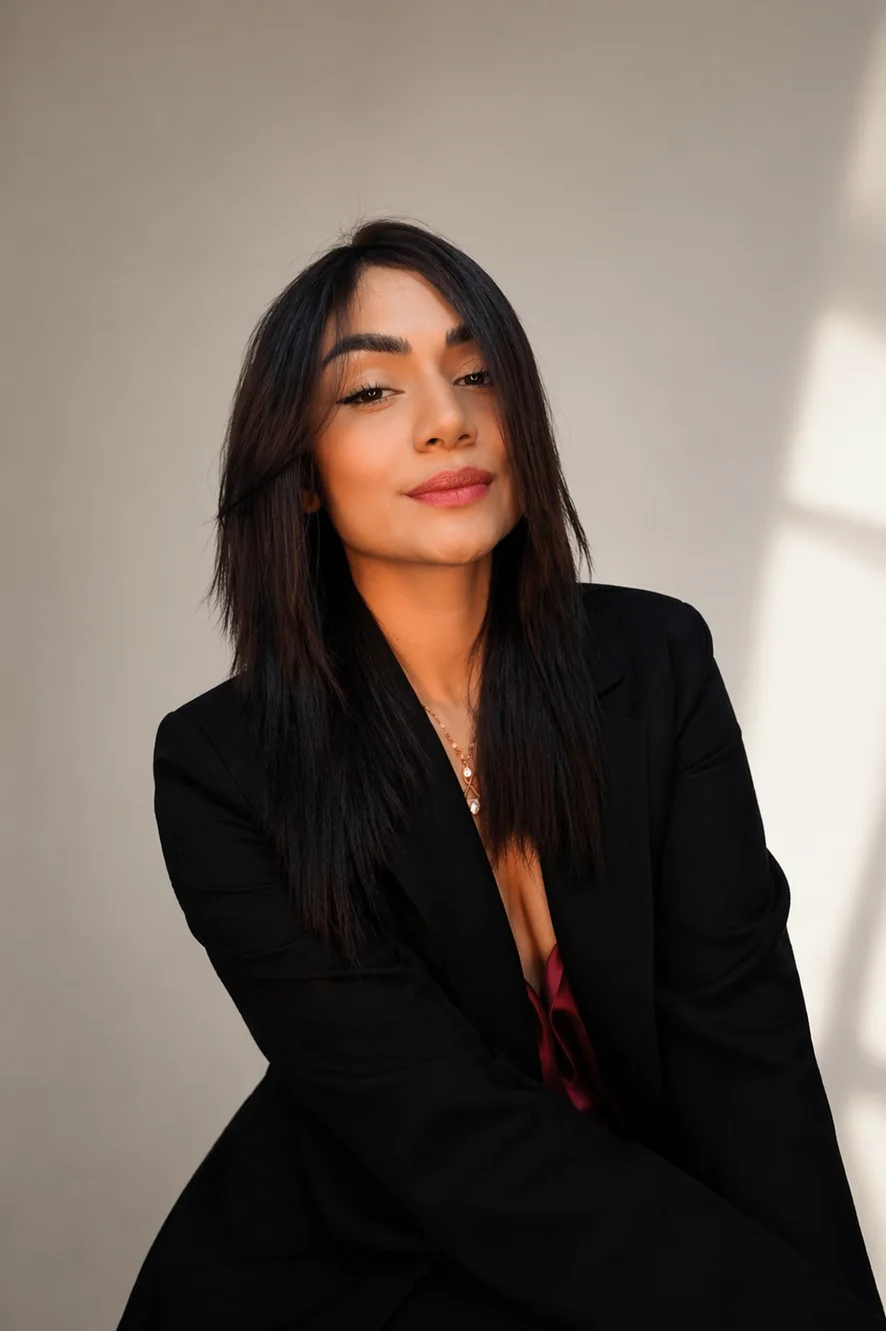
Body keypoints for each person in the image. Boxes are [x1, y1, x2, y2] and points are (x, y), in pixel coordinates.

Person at [117, 218, 885, 1330]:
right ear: (301, 477)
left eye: (477, 373)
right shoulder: (224, 768)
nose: (449, 420)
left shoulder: (656, 663)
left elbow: (746, 1050)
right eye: (371, 391)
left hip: (649, 1268)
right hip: (367, 1285)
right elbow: (455, 1140)